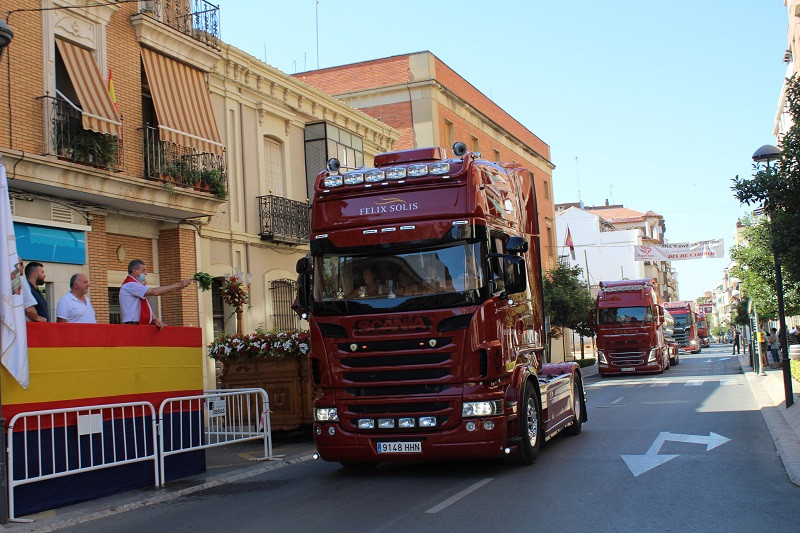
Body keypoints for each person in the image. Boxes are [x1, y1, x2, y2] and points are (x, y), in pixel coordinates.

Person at [120, 259, 191, 328]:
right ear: (134, 271)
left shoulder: (136, 285)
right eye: (143, 270)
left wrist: (154, 319)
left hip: (139, 324)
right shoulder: (130, 285)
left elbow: (144, 303)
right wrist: (179, 284)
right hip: (133, 325)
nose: (145, 273)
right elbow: (155, 292)